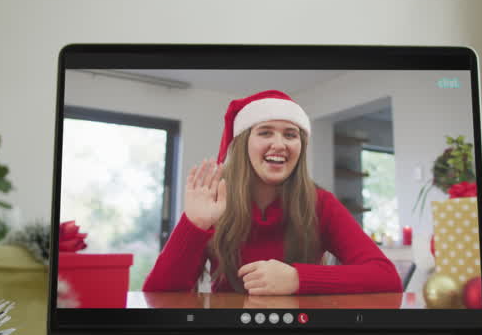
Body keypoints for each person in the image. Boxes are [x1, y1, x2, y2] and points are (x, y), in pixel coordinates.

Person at [143, 90, 401, 295]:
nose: (279, 144)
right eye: (265, 132)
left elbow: (385, 276)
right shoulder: (215, 200)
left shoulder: (320, 203)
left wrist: (298, 279)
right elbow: (158, 294)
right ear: (244, 144)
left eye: (291, 135)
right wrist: (194, 225)